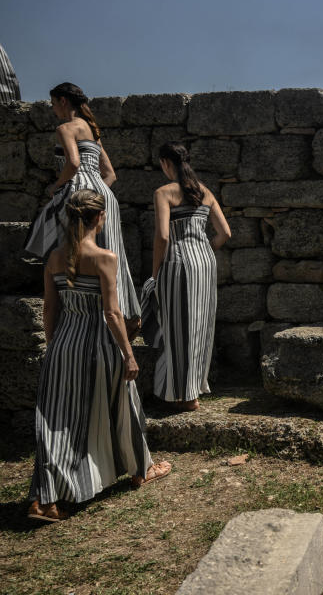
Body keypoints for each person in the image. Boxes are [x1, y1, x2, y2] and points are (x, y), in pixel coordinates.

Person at [28, 190, 171, 523]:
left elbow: (50, 307)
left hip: (64, 344)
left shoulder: (53, 257)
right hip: (99, 345)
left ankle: (44, 498)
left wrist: (55, 346)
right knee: (125, 404)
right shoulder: (105, 258)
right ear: (98, 218)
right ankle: (141, 469)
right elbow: (111, 313)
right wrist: (128, 354)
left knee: (58, 421)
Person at [23, 82, 141, 333]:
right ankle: (116, 313)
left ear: (63, 102)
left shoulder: (65, 128)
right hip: (105, 195)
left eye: (54, 104)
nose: (53, 109)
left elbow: (73, 164)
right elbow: (110, 174)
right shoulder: (93, 132)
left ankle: (78, 311)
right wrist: (99, 189)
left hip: (78, 192)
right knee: (107, 250)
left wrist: (57, 186)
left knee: (70, 246)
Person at [140, 142, 229, 410]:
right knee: (200, 327)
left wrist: (155, 273)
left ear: (167, 162)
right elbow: (225, 234)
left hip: (176, 263)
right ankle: (193, 392)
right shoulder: (205, 192)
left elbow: (163, 237)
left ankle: (182, 395)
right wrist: (204, 251)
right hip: (204, 263)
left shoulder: (163, 193)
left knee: (176, 328)